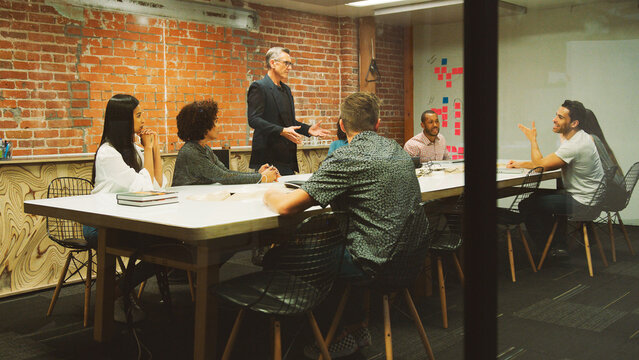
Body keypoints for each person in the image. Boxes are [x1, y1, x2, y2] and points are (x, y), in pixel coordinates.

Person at [263, 92, 424, 358]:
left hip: (375, 261)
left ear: (341, 124)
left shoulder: (346, 157)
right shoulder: (397, 150)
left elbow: (285, 207)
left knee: (281, 256)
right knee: (340, 244)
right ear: (378, 123)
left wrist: (269, 192)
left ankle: (332, 335)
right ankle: (356, 325)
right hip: (412, 255)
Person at [84, 94, 166, 322]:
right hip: (100, 226)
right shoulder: (108, 153)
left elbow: (158, 185)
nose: (143, 120)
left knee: (168, 246)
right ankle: (118, 292)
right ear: (124, 121)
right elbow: (145, 188)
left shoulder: (132, 148)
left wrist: (154, 149)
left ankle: (119, 289)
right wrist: (148, 150)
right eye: (138, 115)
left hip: (128, 220)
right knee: (160, 248)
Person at [507, 100, 604, 258]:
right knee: (536, 197)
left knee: (527, 204)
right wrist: (521, 164)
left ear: (574, 123)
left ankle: (550, 248)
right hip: (589, 198)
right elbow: (549, 162)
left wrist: (533, 139)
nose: (554, 119)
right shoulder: (580, 138)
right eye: (556, 115)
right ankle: (557, 243)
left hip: (583, 202)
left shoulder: (574, 145)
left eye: (560, 117)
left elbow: (541, 165)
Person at [247, 46, 331, 175]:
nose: (290, 67)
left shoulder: (286, 90)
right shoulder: (259, 87)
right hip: (266, 158)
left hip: (286, 158)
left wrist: (307, 129)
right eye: (286, 63)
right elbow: (254, 120)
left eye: (290, 64)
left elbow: (289, 122)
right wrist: (281, 131)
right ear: (273, 63)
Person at [172, 99, 280, 186]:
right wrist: (262, 177)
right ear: (203, 125)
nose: (218, 126)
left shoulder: (203, 148)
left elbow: (226, 172)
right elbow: (223, 177)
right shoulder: (191, 152)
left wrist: (258, 174)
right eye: (215, 121)